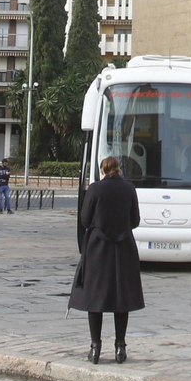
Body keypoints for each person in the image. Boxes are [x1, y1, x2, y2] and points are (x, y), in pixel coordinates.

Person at [68, 155, 144, 364]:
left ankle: (95, 348)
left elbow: (85, 220)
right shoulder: (129, 189)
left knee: (96, 297)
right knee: (122, 297)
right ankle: (120, 347)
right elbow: (135, 220)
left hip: (98, 248)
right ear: (119, 169)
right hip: (124, 247)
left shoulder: (95, 189)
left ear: (102, 170)